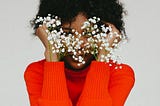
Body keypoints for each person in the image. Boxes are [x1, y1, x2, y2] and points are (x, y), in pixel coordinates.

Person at [24, 0, 135, 106]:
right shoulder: (37, 72)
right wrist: (52, 58)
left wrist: (103, 59)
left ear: (105, 34)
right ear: (50, 34)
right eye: (67, 34)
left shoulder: (119, 75)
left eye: (89, 34)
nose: (78, 43)